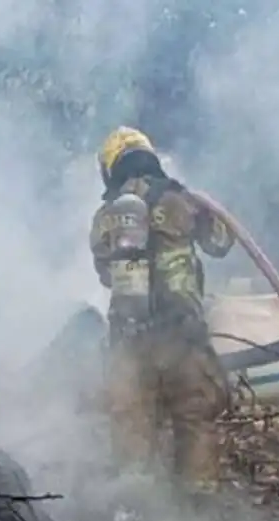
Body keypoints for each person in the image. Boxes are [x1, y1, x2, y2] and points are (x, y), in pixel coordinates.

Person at [89, 126, 233, 495]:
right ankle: (197, 506)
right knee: (194, 415)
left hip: (130, 334)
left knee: (131, 420)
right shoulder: (181, 199)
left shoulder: (106, 215)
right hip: (181, 330)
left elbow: (106, 274)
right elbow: (221, 243)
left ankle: (135, 507)